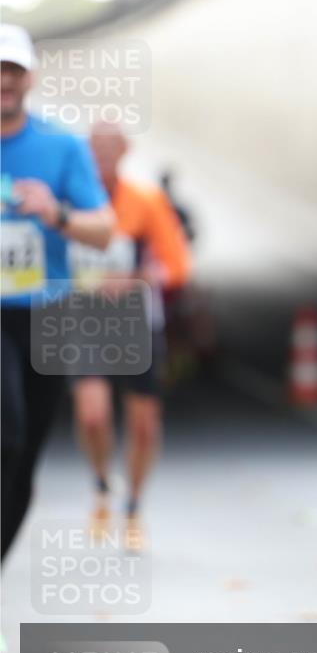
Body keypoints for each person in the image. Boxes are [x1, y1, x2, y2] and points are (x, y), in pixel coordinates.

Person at [1, 25, 113, 559]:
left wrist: (56, 212)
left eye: (13, 71)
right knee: (6, 433)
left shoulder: (61, 145)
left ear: (29, 78)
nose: (4, 80)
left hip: (46, 314)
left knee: (23, 456)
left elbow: (104, 228)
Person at [68, 121, 191, 550]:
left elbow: (176, 264)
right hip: (85, 322)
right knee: (92, 416)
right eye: (94, 147)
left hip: (139, 324)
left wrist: (137, 277)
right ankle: (102, 484)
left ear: (125, 150)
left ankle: (134, 507)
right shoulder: (72, 201)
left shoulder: (146, 200)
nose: (101, 154)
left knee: (142, 424)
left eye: (109, 146)